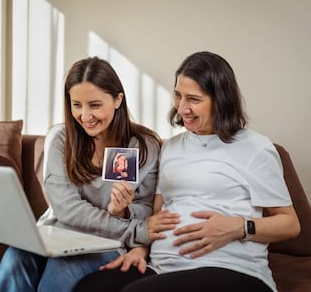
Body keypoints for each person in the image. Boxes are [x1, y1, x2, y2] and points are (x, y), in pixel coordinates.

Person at [74, 51, 301, 292]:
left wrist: (239, 227)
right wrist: (140, 249)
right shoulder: (171, 148)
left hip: (233, 270)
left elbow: (290, 224)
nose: (182, 108)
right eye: (178, 96)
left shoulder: (255, 148)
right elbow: (158, 216)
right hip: (163, 267)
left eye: (193, 99)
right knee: (89, 288)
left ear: (221, 100)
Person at [0, 56, 163, 292]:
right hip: (56, 233)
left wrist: (122, 210)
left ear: (118, 100)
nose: (85, 116)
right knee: (15, 256)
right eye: (77, 104)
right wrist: (134, 230)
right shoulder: (60, 139)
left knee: (59, 273)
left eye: (95, 105)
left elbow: (146, 209)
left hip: (105, 244)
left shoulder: (142, 146)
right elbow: (66, 209)